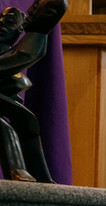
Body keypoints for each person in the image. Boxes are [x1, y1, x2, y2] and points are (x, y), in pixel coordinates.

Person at [0, 0, 67, 183]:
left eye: (36, 8)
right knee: (7, 129)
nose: (30, 10)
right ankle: (19, 170)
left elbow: (16, 63)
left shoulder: (36, 41)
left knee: (28, 126)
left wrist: (18, 82)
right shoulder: (35, 41)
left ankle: (40, 176)